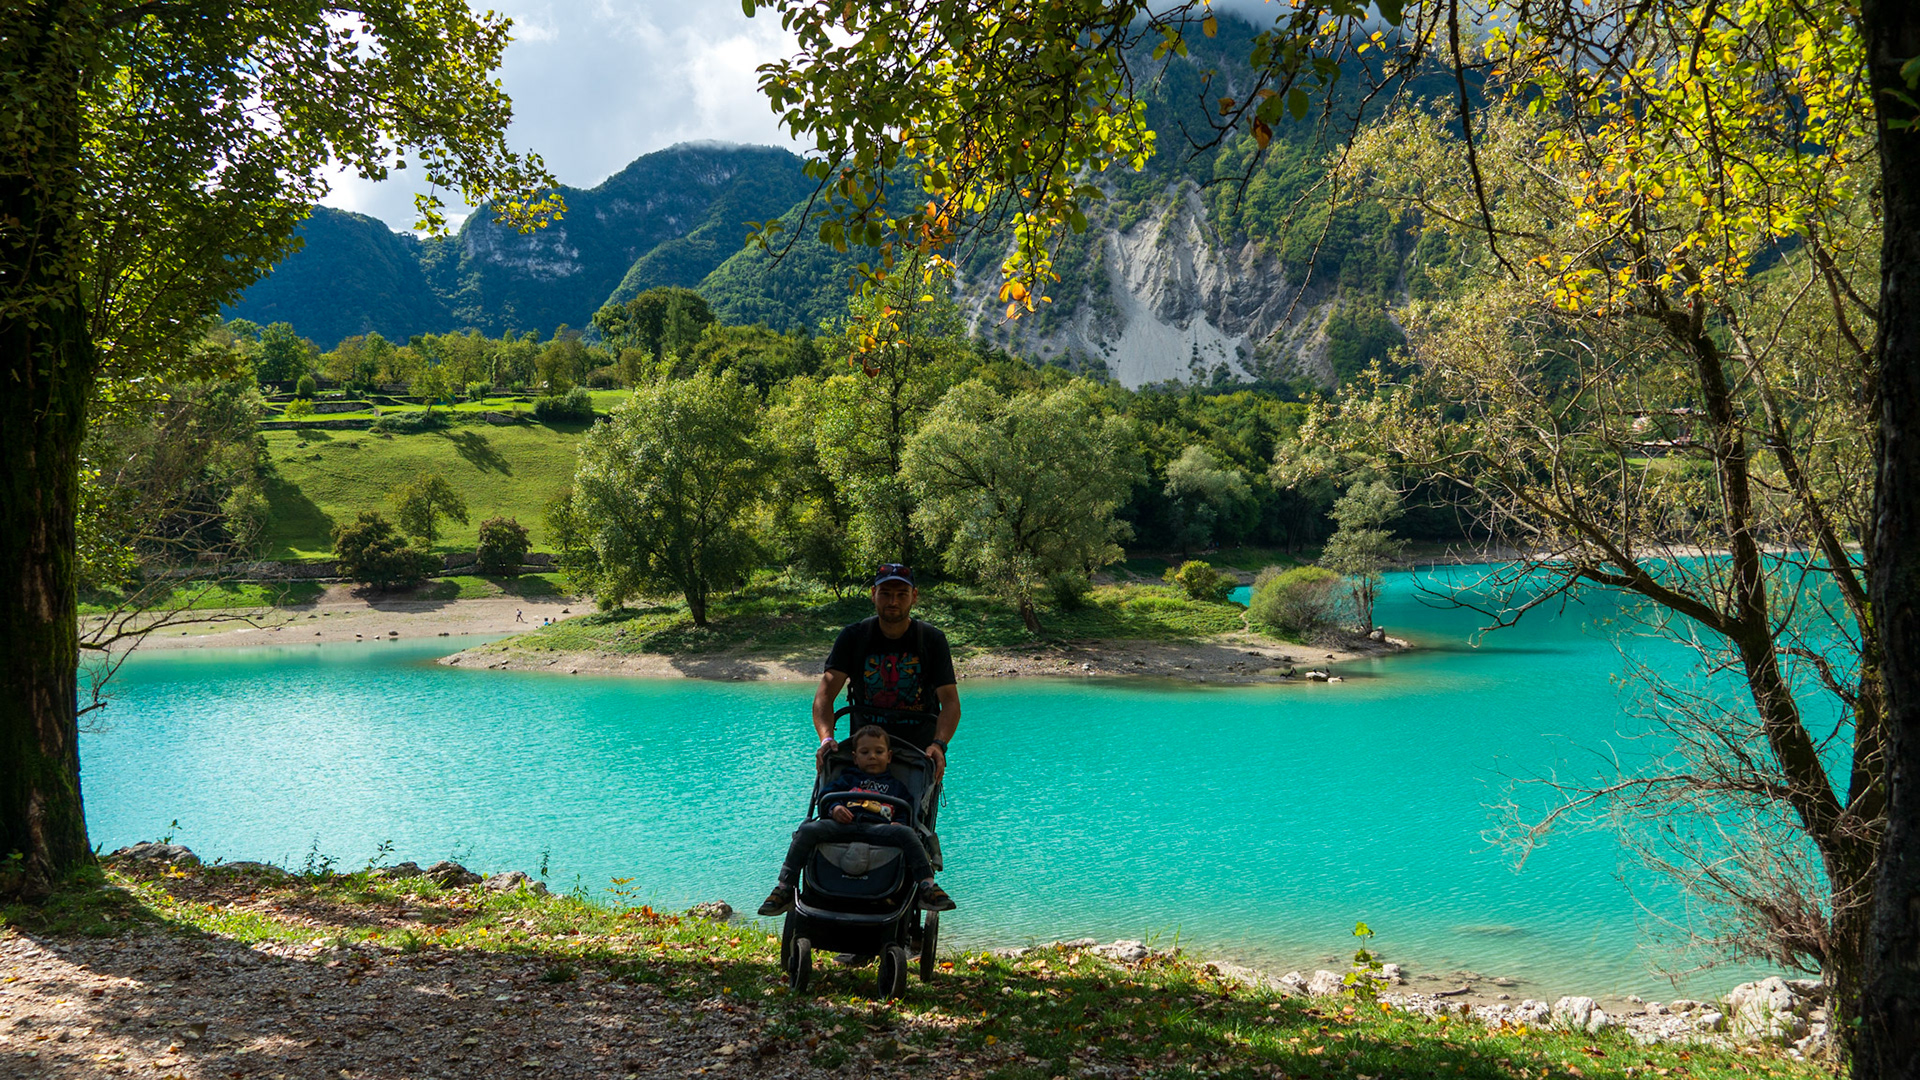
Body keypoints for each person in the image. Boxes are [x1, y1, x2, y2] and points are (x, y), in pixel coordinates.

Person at [758, 725, 956, 915]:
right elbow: (825, 796)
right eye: (865, 752)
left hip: (880, 830)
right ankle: (785, 886)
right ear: (854, 758)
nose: (872, 756)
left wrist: (901, 823)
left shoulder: (896, 787)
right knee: (807, 830)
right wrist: (835, 808)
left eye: (879, 752)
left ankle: (926, 885)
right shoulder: (848, 779)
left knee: (907, 833)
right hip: (843, 826)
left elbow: (907, 810)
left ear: (889, 757)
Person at [814, 563, 960, 779]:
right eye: (885, 594)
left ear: (914, 596)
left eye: (902, 594)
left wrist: (939, 744)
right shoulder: (853, 637)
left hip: (918, 756)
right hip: (865, 753)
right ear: (873, 594)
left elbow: (950, 702)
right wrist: (826, 739)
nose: (893, 602)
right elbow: (824, 696)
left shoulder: (932, 640)